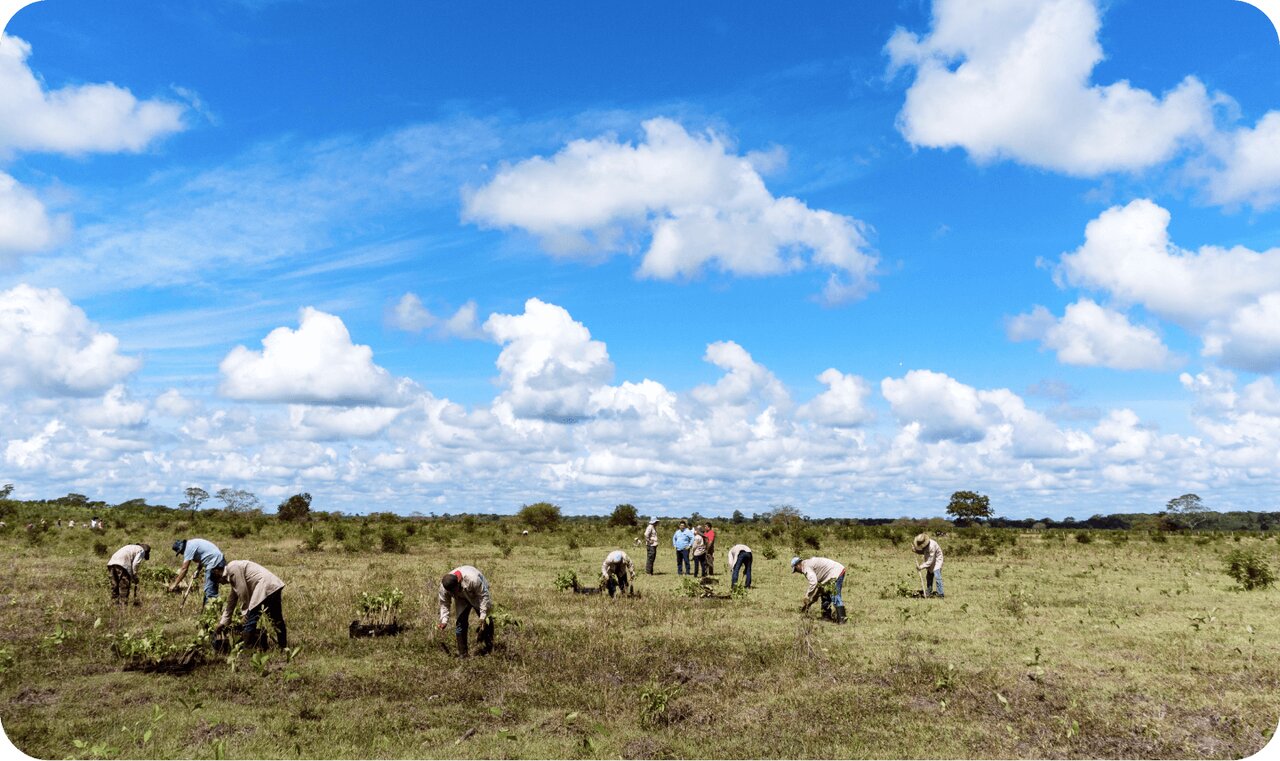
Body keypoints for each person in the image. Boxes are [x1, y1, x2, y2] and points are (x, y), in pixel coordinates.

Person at [211, 560, 287, 650]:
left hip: (264, 586)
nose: (222, 584)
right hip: (272, 585)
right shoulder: (232, 574)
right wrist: (223, 623)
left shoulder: (232, 568)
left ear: (217, 572)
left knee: (250, 621)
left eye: (219, 581)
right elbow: (231, 601)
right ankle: (283, 646)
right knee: (276, 619)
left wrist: (245, 614)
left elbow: (243, 592)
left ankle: (248, 649)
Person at [438, 565, 493, 657]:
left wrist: (482, 616)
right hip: (461, 599)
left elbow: (484, 596)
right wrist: (444, 621)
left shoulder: (473, 579)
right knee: (460, 623)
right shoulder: (444, 588)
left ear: (459, 581)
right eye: (452, 592)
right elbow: (444, 603)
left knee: (487, 620)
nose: (453, 593)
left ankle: (489, 647)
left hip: (476, 594)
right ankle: (463, 654)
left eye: (455, 590)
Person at [168, 538, 226, 606]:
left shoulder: (188, 548)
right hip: (219, 560)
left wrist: (175, 584)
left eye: (181, 552)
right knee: (212, 588)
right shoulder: (192, 543)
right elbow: (203, 556)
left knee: (209, 590)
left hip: (214, 562)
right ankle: (212, 608)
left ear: (182, 548)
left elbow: (184, 569)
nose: (182, 554)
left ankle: (210, 612)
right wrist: (198, 570)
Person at [792, 556, 847, 624]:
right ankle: (826, 617)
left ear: (798, 565)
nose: (798, 572)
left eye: (796, 570)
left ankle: (842, 620)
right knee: (824, 594)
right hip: (829, 576)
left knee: (835, 596)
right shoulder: (807, 564)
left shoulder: (806, 568)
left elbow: (813, 582)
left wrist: (807, 596)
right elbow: (819, 588)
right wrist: (812, 600)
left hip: (836, 572)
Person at [913, 533, 945, 598]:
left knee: (937, 576)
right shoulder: (925, 546)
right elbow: (923, 552)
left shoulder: (932, 546)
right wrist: (915, 551)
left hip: (937, 561)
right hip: (929, 561)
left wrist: (921, 566)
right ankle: (929, 591)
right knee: (929, 576)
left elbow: (931, 560)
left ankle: (940, 594)